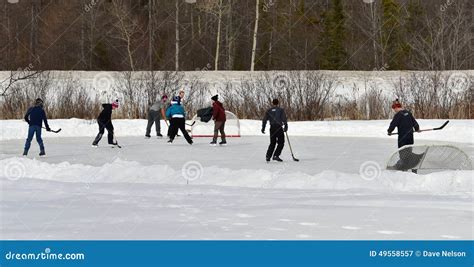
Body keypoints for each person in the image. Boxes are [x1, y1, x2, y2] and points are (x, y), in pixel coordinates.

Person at [387, 99, 421, 173]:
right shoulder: (408, 113)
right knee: (408, 152)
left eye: (394, 109)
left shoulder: (398, 115)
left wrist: (389, 131)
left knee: (402, 153)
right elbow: (414, 123)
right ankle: (413, 166)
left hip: (402, 138)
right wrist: (417, 129)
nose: (394, 111)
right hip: (410, 137)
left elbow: (393, 124)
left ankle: (404, 167)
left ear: (396, 108)